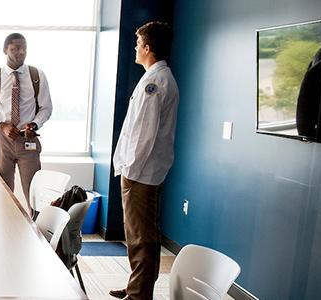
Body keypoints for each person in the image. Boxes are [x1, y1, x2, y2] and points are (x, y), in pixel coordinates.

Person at [110, 21, 179, 300]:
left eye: (138, 44)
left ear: (148, 48)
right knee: (140, 235)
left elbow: (143, 135)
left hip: (140, 174)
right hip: (143, 172)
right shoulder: (157, 77)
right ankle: (137, 286)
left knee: (141, 238)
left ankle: (139, 295)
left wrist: (130, 171)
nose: (135, 49)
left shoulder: (154, 82)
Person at [0, 33, 53, 212]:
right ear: (5, 50)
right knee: (4, 192)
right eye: (15, 48)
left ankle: (37, 234)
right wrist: (1, 126)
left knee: (34, 194)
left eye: (24, 48)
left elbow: (46, 108)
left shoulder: (37, 76)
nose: (21, 52)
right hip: (3, 142)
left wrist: (34, 124)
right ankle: (5, 230)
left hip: (29, 139)